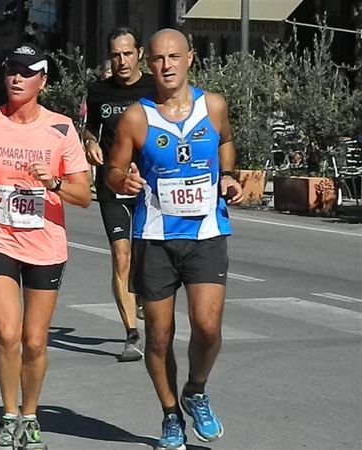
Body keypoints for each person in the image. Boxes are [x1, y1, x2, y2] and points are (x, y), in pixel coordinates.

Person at [106, 29, 243, 450]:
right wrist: (124, 181)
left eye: (174, 57)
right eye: (159, 59)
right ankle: (170, 416)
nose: (166, 66)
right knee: (159, 337)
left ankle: (196, 390)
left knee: (207, 327)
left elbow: (226, 143)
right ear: (150, 64)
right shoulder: (136, 117)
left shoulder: (213, 105)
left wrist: (229, 175)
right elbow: (112, 172)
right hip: (155, 237)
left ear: (190, 59)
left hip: (205, 233)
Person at [0, 43, 91, 450]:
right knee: (7, 331)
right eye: (11, 69)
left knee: (34, 340)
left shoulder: (62, 129)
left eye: (27, 72)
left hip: (45, 242)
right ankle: (8, 415)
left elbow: (83, 195)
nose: (16, 78)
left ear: (42, 81)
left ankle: (31, 415)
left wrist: (53, 183)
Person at [84, 27, 155, 362]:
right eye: (116, 54)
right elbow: (90, 128)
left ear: (139, 53)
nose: (122, 61)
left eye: (128, 53)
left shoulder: (155, 88)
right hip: (112, 183)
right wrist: (91, 143)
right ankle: (132, 334)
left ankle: (142, 295)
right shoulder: (99, 90)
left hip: (150, 185)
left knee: (147, 258)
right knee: (121, 257)